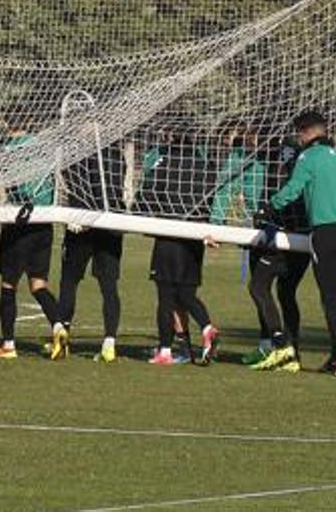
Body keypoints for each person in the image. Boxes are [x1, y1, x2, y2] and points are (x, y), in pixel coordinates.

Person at [257, 110, 336, 378]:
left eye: (299, 133)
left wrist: (268, 209)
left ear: (306, 133)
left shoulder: (307, 157)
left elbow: (293, 189)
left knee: (330, 298)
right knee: (333, 296)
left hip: (328, 233)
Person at [136, 130, 220, 366]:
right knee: (185, 294)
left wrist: (139, 215)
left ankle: (165, 350)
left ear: (171, 138)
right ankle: (206, 327)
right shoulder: (207, 167)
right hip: (195, 238)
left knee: (166, 298)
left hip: (169, 236)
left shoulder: (164, 164)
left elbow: (147, 196)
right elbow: (212, 201)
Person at [0, 126, 64, 360]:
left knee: (9, 285)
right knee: (38, 284)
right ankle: (59, 326)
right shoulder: (45, 149)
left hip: (20, 222)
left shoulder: (11, 149)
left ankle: (9, 344)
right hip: (44, 223)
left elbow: (12, 183)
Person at [52, 134, 126, 363]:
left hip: (81, 224)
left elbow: (73, 184)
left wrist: (75, 211)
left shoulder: (77, 155)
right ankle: (109, 342)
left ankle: (62, 332)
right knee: (108, 286)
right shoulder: (117, 155)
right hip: (110, 224)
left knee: (69, 281)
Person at [241, 135, 311, 372]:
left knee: (258, 288)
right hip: (303, 240)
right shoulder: (303, 165)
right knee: (286, 293)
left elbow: (283, 197)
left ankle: (280, 346)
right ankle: (289, 354)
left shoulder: (285, 167)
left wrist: (266, 215)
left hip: (282, 238)